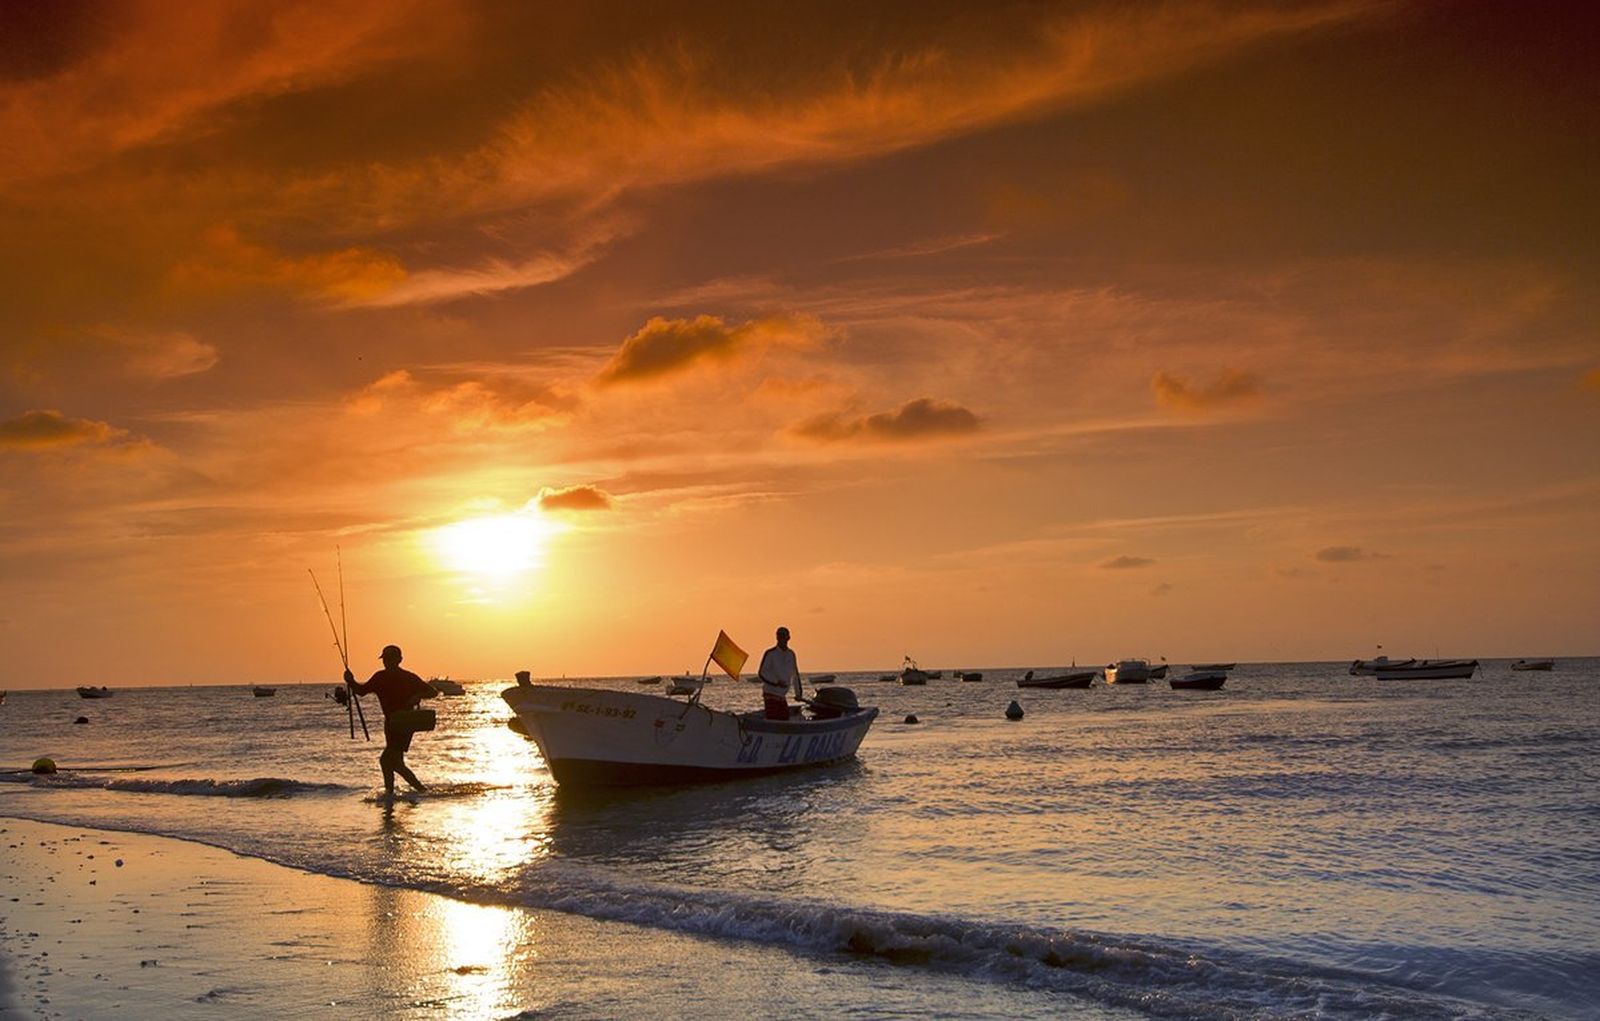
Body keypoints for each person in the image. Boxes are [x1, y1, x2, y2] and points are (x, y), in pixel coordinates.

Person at [344, 644, 437, 798]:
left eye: (389, 659)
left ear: (399, 660)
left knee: (386, 761)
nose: (386, 662)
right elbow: (361, 691)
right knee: (396, 763)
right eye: (385, 659)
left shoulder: (408, 677)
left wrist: (417, 696)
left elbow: (432, 692)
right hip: (390, 725)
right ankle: (415, 792)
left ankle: (392, 794)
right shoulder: (379, 677)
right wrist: (351, 681)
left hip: (404, 724)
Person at [756, 626, 803, 720]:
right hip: (770, 694)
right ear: (777, 637)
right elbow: (762, 673)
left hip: (782, 696)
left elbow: (795, 675)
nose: (781, 638)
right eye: (779, 636)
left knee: (785, 718)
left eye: (783, 636)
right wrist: (776, 682)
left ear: (788, 638)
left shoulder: (791, 654)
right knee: (774, 718)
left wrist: (798, 693)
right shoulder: (770, 653)